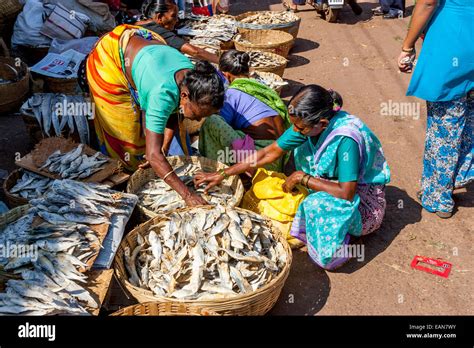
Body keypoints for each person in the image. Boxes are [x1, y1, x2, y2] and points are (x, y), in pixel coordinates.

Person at [195, 85, 391, 269]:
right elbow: (268, 153)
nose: (295, 131)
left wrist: (302, 178)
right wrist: (222, 173)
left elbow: (346, 192)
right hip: (328, 185)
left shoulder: (346, 138)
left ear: (322, 124)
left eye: (300, 128)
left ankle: (346, 242)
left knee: (314, 205)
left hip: (361, 201)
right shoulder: (307, 125)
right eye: (294, 126)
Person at [85, 24, 225, 206]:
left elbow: (176, 112)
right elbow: (153, 152)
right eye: (198, 115)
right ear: (184, 96)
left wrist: (164, 147)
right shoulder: (162, 94)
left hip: (147, 48)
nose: (198, 120)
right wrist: (188, 195)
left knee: (159, 142)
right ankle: (124, 183)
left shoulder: (192, 77)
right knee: (128, 137)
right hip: (110, 58)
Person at [398, 0, 473, 218]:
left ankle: (439, 196)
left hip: (452, 40)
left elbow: (428, 2)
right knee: (470, 120)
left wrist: (407, 46)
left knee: (445, 125)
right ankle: (461, 175)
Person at [199, 50, 290, 172]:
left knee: (212, 122)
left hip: (261, 160)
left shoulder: (231, 94)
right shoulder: (262, 88)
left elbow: (223, 127)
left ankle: (215, 171)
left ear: (226, 75)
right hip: (279, 157)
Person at [137, 0, 219, 64]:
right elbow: (195, 52)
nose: (177, 20)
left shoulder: (138, 24)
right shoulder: (158, 30)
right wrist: (221, 62)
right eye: (173, 16)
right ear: (159, 17)